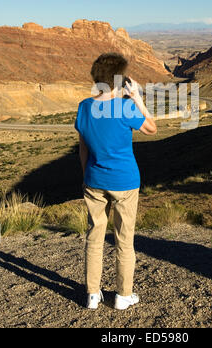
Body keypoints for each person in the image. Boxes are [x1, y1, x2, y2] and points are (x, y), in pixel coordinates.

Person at [74, 52, 157, 310]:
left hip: (94, 180)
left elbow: (83, 148)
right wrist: (138, 99)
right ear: (119, 80)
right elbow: (152, 129)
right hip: (125, 182)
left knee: (94, 237)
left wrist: (87, 175)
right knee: (124, 240)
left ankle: (92, 294)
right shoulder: (125, 107)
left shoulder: (84, 107)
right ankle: (123, 295)